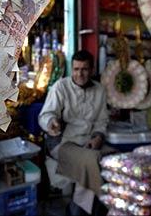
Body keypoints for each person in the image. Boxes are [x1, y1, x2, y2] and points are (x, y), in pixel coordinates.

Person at [38, 50, 113, 216]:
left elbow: (102, 121)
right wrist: (52, 123)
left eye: (85, 69)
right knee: (90, 160)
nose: (80, 74)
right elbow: (45, 115)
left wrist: (98, 137)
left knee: (115, 159)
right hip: (64, 142)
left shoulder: (99, 90)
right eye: (77, 69)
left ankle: (82, 209)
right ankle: (87, 211)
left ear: (92, 70)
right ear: (72, 69)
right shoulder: (61, 87)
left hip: (88, 142)